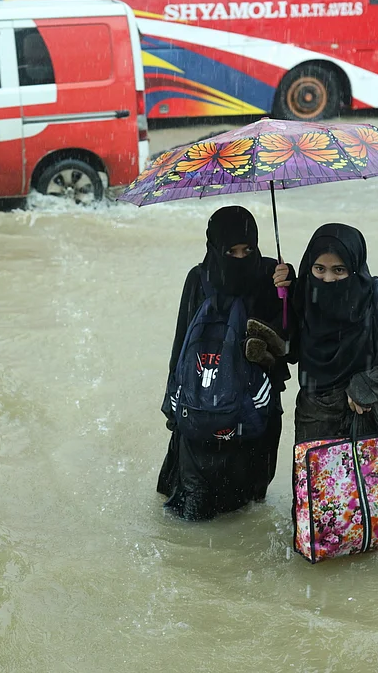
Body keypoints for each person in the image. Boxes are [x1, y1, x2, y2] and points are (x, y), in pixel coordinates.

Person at [157, 206, 292, 521]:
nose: (241, 258)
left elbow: (290, 344)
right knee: (191, 511)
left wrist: (289, 292)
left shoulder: (273, 275)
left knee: (248, 512)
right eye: (231, 251)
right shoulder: (198, 278)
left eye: (248, 250)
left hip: (256, 411)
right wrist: (172, 407)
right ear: (215, 247)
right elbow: (182, 345)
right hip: (202, 406)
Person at [272, 223, 378, 443]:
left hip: (367, 416)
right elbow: (290, 351)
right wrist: (284, 294)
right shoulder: (303, 296)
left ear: (354, 268)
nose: (328, 279)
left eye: (339, 270)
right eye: (319, 269)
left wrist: (367, 383)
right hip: (314, 420)